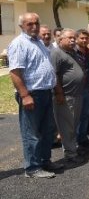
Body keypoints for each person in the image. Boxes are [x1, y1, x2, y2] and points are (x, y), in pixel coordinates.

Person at [8, 12, 61, 178]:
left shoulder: (39, 42)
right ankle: (32, 167)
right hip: (32, 94)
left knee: (47, 131)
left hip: (45, 92)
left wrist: (56, 88)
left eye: (36, 23)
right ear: (21, 26)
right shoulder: (19, 44)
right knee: (31, 133)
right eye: (29, 24)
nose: (34, 26)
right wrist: (25, 95)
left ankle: (45, 161)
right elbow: (15, 72)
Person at [51, 28, 85, 165]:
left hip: (76, 95)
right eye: (69, 38)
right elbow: (54, 75)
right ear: (60, 39)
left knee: (73, 124)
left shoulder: (72, 53)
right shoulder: (56, 54)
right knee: (67, 126)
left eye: (74, 38)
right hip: (65, 96)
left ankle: (72, 148)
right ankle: (70, 154)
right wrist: (59, 93)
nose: (73, 40)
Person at [75, 29, 89, 148]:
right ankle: (76, 142)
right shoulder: (73, 52)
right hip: (77, 89)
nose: (84, 40)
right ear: (77, 39)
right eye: (81, 38)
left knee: (85, 115)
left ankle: (83, 138)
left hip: (88, 87)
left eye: (86, 38)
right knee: (77, 116)